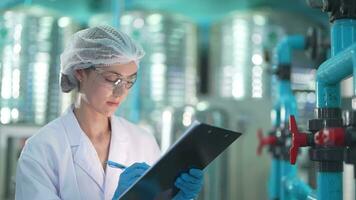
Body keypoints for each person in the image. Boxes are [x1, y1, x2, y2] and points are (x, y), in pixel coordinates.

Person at [15, 25, 204, 200]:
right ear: (80, 72)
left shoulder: (143, 141)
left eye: (129, 81)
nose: (121, 92)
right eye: (112, 79)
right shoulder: (42, 148)